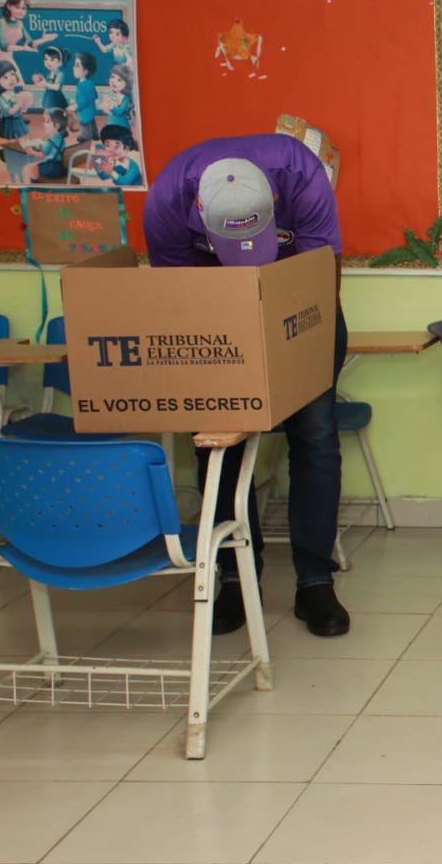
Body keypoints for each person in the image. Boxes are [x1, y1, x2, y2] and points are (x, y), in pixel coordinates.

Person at [142, 134, 350, 638]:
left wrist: (291, 345)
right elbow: (180, 299)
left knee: (316, 437)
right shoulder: (166, 201)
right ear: (199, 210)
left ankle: (315, 583)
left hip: (301, 306)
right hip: (214, 315)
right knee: (217, 446)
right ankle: (237, 578)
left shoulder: (301, 173)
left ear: (273, 203)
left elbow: (322, 276)